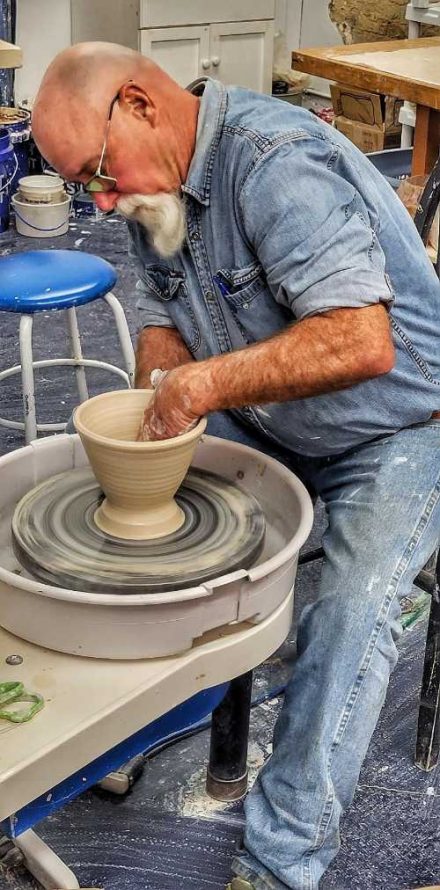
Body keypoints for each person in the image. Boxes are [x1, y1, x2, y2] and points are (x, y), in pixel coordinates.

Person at [32, 43, 440, 890]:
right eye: (85, 189)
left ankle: (280, 861)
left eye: (100, 176)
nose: (103, 202)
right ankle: (132, 727)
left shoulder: (276, 166)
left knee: (352, 611)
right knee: (129, 530)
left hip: (398, 424)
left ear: (141, 104)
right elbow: (161, 323)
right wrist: (156, 397)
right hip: (274, 414)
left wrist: (201, 387)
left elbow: (363, 341)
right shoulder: (157, 188)